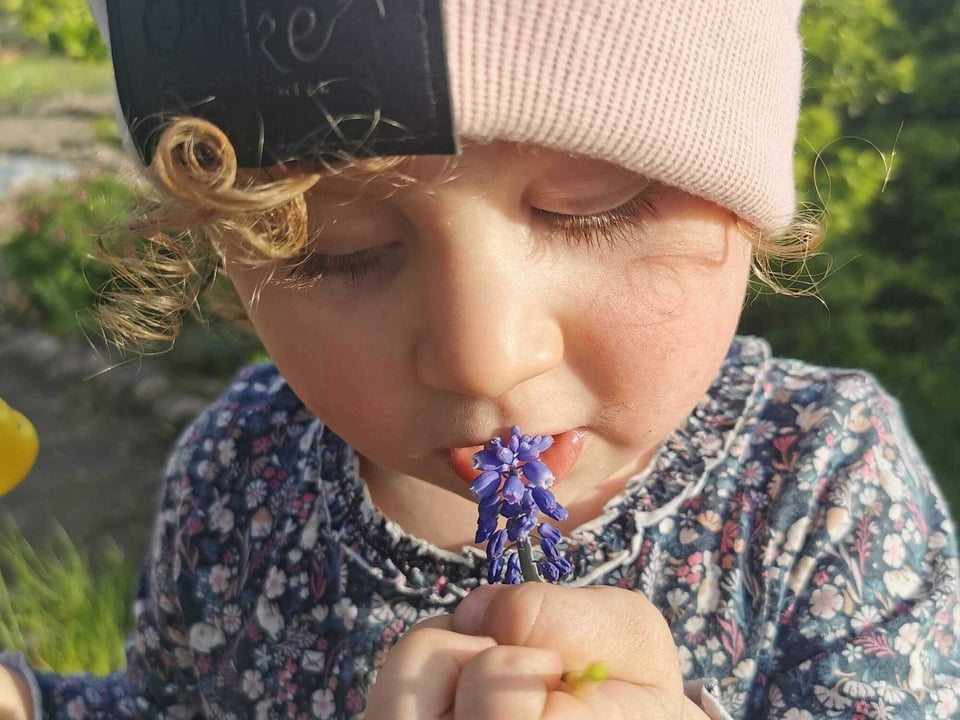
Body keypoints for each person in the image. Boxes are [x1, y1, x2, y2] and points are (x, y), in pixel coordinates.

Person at [2, 1, 958, 718]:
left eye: (590, 208)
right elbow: (168, 703)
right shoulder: (238, 469)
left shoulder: (824, 486)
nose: (479, 359)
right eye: (338, 250)